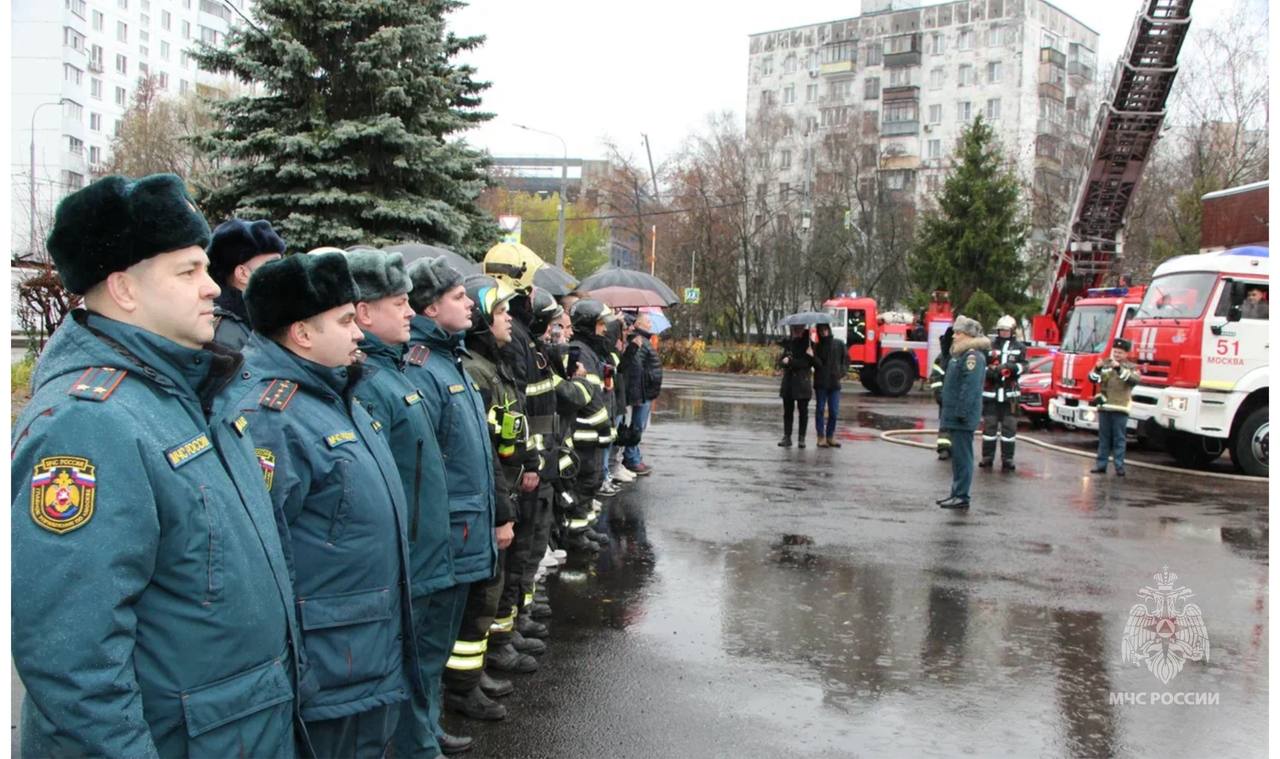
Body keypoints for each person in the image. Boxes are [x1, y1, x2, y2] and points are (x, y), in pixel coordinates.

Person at [12, 173, 300, 757]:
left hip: (236, 731)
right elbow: (73, 660)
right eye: (188, 271)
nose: (212, 288)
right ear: (123, 289)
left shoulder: (188, 392)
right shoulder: (90, 423)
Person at [218, 250, 415, 758]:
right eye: (346, 321)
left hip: (362, 655)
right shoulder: (272, 417)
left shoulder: (334, 396)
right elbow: (260, 559)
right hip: (327, 672)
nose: (358, 332)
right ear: (302, 333)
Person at [339, 250, 474, 758]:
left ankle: (424, 734)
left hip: (430, 549)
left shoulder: (398, 371)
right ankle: (418, 746)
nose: (410, 313)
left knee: (427, 659)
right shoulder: (374, 380)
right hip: (409, 558)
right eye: (399, 304)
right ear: (365, 312)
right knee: (407, 664)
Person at [398, 257, 507, 724]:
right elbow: (424, 467)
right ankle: (423, 731)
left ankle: (432, 723)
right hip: (447, 533)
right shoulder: (423, 368)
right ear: (429, 308)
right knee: (427, 642)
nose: (469, 305)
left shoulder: (450, 360)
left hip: (465, 527)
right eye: (458, 297)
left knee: (443, 637)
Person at [458, 276, 541, 684]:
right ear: (480, 320)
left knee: (498, 582)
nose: (509, 319)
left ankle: (489, 656)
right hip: (492, 498)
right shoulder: (477, 371)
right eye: (500, 312)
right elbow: (484, 450)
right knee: (484, 591)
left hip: (504, 491)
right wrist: (501, 510)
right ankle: (465, 684)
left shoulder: (495, 364)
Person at [566, 299, 619, 546]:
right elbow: (587, 397)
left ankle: (584, 527)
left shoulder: (592, 352)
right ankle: (575, 535)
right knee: (582, 484)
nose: (604, 330)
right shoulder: (579, 350)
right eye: (600, 325)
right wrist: (603, 426)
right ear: (588, 325)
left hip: (593, 435)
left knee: (592, 482)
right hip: (583, 434)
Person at [206, 218, 286, 351]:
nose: (282, 272)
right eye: (273, 264)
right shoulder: (226, 332)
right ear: (243, 274)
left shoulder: (265, 317)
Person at [937, 316, 990, 509]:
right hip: (955, 415)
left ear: (968, 335)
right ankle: (956, 492)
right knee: (958, 458)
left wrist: (961, 411)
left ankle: (962, 495)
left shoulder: (972, 357)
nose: (954, 336)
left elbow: (970, 387)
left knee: (963, 457)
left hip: (962, 416)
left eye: (958, 333)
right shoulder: (959, 355)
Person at [980, 314, 1026, 471]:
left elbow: (1024, 366)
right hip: (991, 396)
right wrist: (990, 372)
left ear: (1012, 331)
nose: (1004, 333)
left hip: (1010, 397)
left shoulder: (1019, 347)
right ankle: (987, 457)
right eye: (1001, 330)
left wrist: (1014, 368)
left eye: (1006, 331)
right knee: (989, 429)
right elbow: (982, 365)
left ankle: (1007, 459)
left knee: (1009, 429)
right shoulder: (990, 346)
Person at [1089, 338, 1140, 476]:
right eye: (1115, 352)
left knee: (1119, 439)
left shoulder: (1131, 367)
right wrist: (1097, 368)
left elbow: (1134, 380)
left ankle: (1119, 466)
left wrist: (1118, 368)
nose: (1116, 355)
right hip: (1105, 407)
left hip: (1120, 408)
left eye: (1120, 352)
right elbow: (1092, 379)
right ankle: (1101, 465)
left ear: (1126, 354)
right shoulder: (1105, 364)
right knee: (1104, 438)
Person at [623, 311, 664, 474]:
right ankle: (632, 458)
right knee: (636, 426)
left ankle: (634, 456)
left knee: (639, 426)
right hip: (643, 392)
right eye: (647, 322)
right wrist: (639, 393)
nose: (650, 324)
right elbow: (636, 368)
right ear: (638, 324)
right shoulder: (638, 340)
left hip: (646, 391)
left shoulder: (644, 340)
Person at [776, 324, 817, 448]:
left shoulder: (809, 345)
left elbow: (806, 363)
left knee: (803, 412)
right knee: (788, 411)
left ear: (802, 329)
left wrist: (791, 362)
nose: (795, 332)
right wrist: (784, 361)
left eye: (798, 329)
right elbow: (781, 361)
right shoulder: (789, 344)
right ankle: (787, 436)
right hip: (788, 382)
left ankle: (801, 438)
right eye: (794, 329)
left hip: (802, 382)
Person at [812, 322, 849, 448]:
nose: (823, 332)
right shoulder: (817, 347)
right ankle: (820, 437)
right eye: (821, 330)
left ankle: (830, 436)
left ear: (829, 329)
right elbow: (817, 365)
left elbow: (846, 359)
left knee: (834, 411)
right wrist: (812, 356)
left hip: (834, 383)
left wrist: (841, 372)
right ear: (818, 332)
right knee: (820, 410)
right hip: (821, 383)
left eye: (825, 329)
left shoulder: (838, 344)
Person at [929, 327, 955, 460]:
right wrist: (939, 394)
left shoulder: (965, 356)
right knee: (945, 423)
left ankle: (956, 448)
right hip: (945, 397)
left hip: (959, 397)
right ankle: (944, 449)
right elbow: (935, 377)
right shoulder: (943, 358)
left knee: (959, 424)